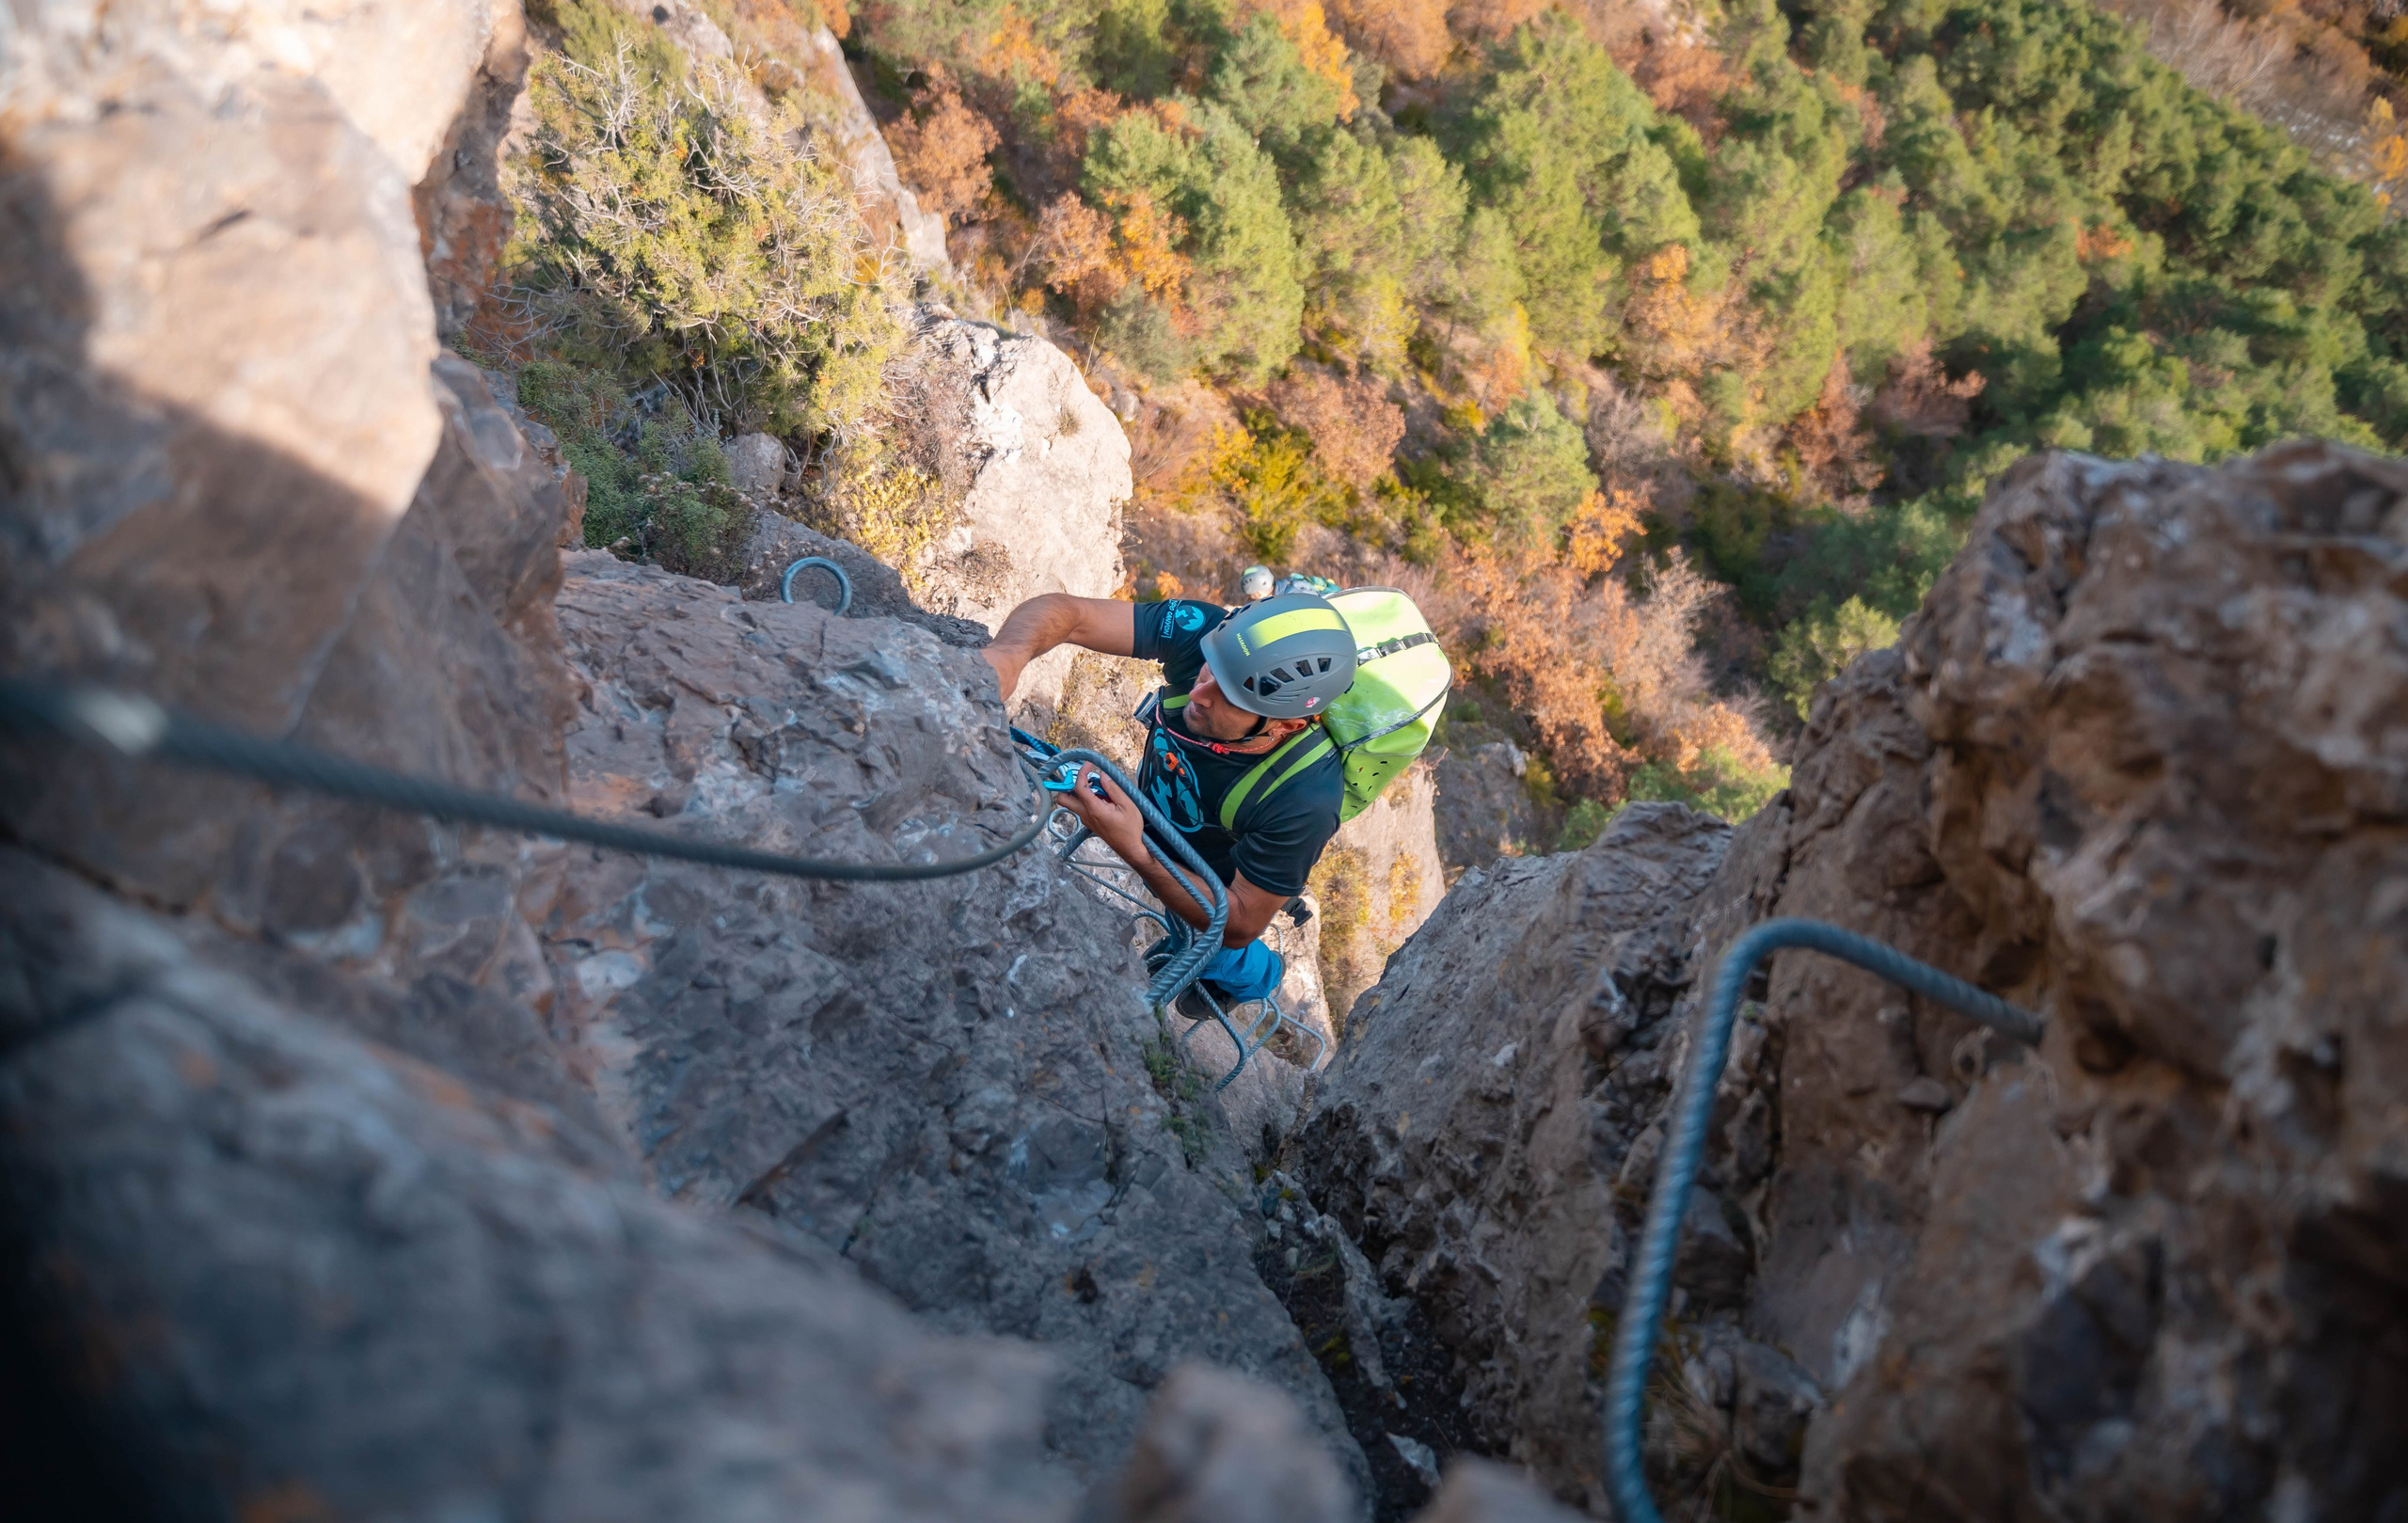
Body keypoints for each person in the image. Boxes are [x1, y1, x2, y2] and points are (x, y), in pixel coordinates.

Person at [982, 590, 1357, 1009]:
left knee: (1222, 953)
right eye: (1208, 670)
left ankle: (1260, 977)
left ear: (1285, 726)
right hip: (1153, 822)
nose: (1199, 694)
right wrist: (1007, 656)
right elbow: (1072, 613)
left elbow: (1238, 923)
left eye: (1230, 697)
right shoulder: (1207, 634)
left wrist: (1135, 850)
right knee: (1183, 931)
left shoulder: (1305, 797)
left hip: (1210, 881)